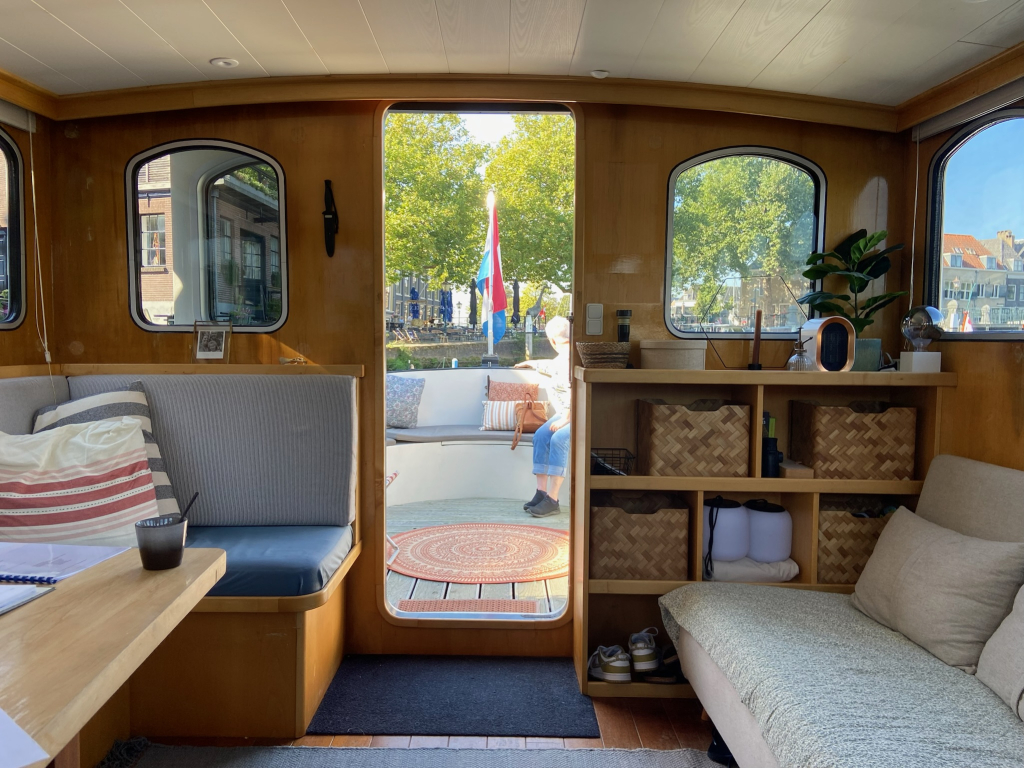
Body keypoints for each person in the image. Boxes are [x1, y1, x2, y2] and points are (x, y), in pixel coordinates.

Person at [515, 316, 571, 518]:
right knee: (540, 436)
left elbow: (576, 392)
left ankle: (553, 500)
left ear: (552, 341)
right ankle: (541, 492)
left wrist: (565, 419)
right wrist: (529, 363)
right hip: (565, 414)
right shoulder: (562, 359)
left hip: (577, 415)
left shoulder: (572, 361)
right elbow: (550, 365)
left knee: (558, 439)